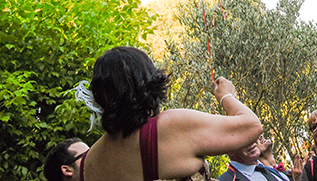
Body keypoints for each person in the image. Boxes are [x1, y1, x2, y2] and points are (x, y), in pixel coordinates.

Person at [74, 46, 262, 181]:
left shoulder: (89, 161)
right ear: (149, 82)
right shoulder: (167, 128)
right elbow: (251, 127)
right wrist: (227, 96)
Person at [218, 136, 289, 181]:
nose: (251, 142)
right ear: (230, 151)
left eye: (250, 136)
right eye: (242, 141)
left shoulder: (269, 170)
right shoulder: (227, 179)